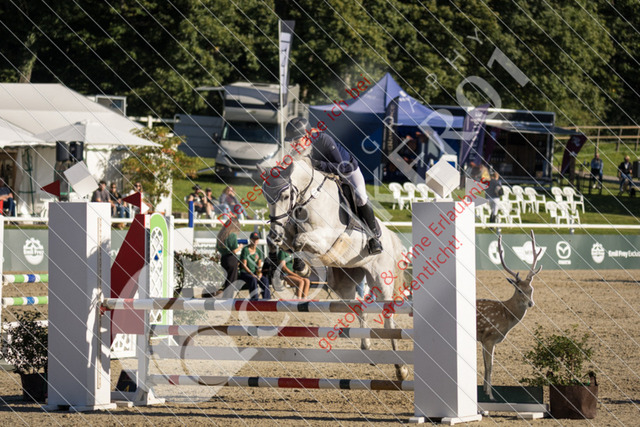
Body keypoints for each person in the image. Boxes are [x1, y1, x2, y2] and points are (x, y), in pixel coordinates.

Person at [285, 117, 383, 254]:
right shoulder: (298, 150)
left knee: (361, 197)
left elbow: (341, 168)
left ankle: (374, 237)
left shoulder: (324, 140)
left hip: (347, 171)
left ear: (307, 135)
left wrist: (317, 164)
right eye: (292, 141)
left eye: (296, 140)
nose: (294, 144)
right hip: (324, 176)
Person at [239, 232, 270, 300]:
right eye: (254, 239)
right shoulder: (245, 250)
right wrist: (251, 274)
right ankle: (255, 300)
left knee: (265, 280)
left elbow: (259, 265)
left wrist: (259, 273)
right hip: (245, 273)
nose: (255, 241)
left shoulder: (258, 251)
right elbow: (244, 265)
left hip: (254, 273)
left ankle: (267, 300)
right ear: (251, 239)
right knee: (253, 279)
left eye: (257, 239)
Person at [216, 218, 242, 296]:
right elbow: (234, 250)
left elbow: (217, 248)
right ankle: (228, 299)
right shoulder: (232, 235)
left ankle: (226, 297)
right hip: (231, 259)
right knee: (231, 282)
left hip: (223, 259)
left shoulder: (220, 235)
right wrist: (240, 247)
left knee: (226, 281)